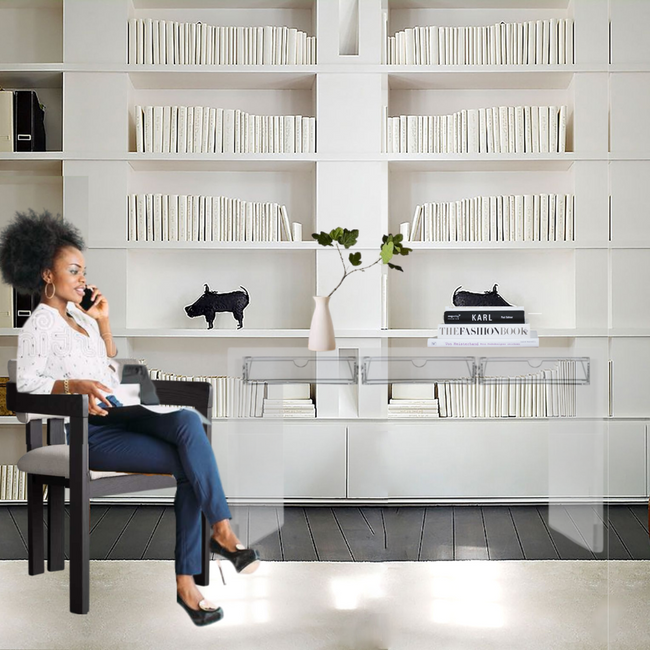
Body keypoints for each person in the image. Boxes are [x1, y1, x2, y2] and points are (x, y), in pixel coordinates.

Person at [0, 209, 259, 626]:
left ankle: (221, 532)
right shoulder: (39, 326)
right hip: (86, 430)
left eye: (84, 270)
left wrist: (103, 323)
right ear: (46, 274)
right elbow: (24, 390)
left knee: (190, 422)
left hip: (124, 412)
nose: (83, 278)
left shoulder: (81, 318)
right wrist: (75, 387)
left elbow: (109, 363)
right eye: (73, 270)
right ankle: (190, 579)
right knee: (193, 463)